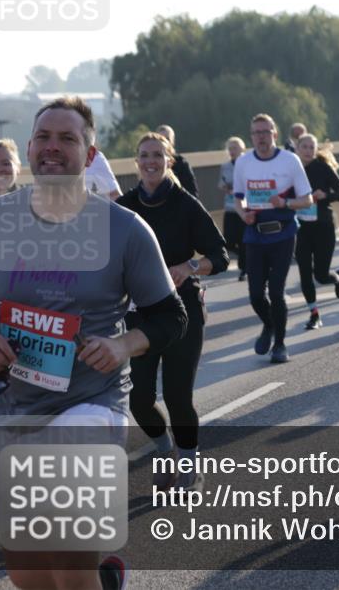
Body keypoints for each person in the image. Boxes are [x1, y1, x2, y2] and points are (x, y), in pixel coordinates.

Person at [0, 96, 187, 590]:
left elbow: (170, 315)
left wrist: (125, 346)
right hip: (17, 403)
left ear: (89, 155)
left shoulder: (125, 229)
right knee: (29, 574)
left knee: (64, 529)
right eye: (44, 137)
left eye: (68, 138)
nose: (53, 147)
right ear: (29, 148)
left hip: (93, 403)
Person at [117, 132, 229, 491]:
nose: (150, 162)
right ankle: (164, 449)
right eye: (144, 156)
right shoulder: (124, 206)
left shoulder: (185, 205)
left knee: (178, 396)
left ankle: (188, 463)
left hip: (183, 313)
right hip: (139, 315)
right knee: (139, 398)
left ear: (169, 160)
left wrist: (190, 268)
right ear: (137, 162)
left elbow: (220, 256)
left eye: (157, 156)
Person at [233, 113, 313, 363]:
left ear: (275, 135)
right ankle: (269, 324)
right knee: (256, 294)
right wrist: (242, 213)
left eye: (265, 132)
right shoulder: (243, 162)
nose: (261, 138)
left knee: (276, 292)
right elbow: (238, 198)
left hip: (283, 233)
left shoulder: (289, 160)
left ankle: (279, 344)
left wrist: (285, 202)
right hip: (254, 234)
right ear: (251, 137)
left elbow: (307, 199)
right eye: (256, 133)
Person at [295, 135, 339, 330]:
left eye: (312, 147)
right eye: (304, 146)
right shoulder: (291, 169)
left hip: (324, 226)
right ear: (297, 147)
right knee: (304, 271)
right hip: (300, 228)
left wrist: (325, 195)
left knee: (321, 274)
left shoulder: (322, 167)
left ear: (316, 149)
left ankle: (338, 277)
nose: (308, 150)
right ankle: (314, 314)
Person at [219, 136, 247, 281]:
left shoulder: (247, 164)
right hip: (229, 207)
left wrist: (238, 188)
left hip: (243, 207)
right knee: (228, 241)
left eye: (235, 148)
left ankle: (244, 268)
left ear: (242, 149)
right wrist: (225, 187)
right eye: (230, 148)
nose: (232, 151)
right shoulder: (225, 166)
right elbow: (220, 183)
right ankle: (247, 256)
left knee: (243, 240)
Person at [155, 125, 199, 198]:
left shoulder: (181, 164)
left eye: (167, 139)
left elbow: (192, 192)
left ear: (172, 142)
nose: (164, 142)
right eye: (161, 139)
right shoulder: (151, 164)